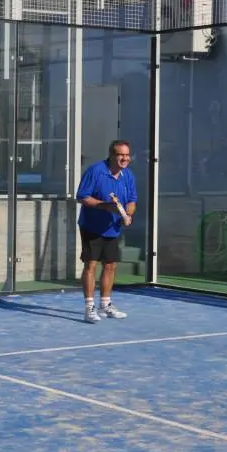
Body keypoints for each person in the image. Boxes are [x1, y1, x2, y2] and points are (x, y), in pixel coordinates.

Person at [75, 139, 136, 324]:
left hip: (113, 228)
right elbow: (82, 197)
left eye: (127, 155)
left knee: (110, 265)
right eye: (120, 155)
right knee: (91, 265)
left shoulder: (128, 175)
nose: (124, 159)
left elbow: (132, 200)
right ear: (111, 155)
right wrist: (105, 206)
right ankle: (89, 308)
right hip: (92, 226)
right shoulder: (95, 171)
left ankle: (105, 304)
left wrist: (128, 215)